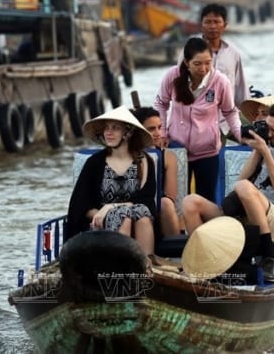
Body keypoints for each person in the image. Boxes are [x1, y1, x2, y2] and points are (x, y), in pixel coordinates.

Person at [181, 99, 274, 279]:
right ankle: (205, 258)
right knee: (190, 202)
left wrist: (266, 152)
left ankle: (268, 255)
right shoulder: (273, 146)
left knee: (244, 188)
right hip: (252, 213)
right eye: (268, 127)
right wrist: (258, 151)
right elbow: (240, 182)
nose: (270, 134)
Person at [154, 37, 242, 202]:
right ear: (186, 62)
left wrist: (240, 135)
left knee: (206, 200)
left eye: (208, 63)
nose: (203, 68)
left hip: (208, 151)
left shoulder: (220, 81)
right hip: (176, 149)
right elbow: (161, 104)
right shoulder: (172, 76)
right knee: (177, 200)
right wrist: (163, 132)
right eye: (197, 64)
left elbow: (230, 111)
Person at [65, 106, 157, 256]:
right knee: (123, 217)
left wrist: (111, 207)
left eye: (115, 128)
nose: (108, 132)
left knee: (142, 215)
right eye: (106, 128)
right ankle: (119, 267)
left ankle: (147, 266)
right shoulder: (94, 163)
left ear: (128, 132)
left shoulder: (144, 162)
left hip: (136, 218)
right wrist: (106, 212)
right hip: (97, 222)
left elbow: (146, 201)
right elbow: (80, 204)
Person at [131, 106, 181, 237]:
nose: (158, 133)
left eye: (160, 127)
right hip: (131, 205)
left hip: (159, 209)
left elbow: (170, 195)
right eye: (151, 129)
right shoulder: (128, 154)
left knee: (166, 203)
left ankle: (174, 250)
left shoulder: (167, 156)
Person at [198, 3, 249, 109]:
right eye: (208, 22)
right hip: (198, 117)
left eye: (216, 22)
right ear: (201, 25)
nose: (212, 26)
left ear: (224, 26)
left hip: (226, 119)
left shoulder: (233, 54)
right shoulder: (190, 52)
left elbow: (240, 88)